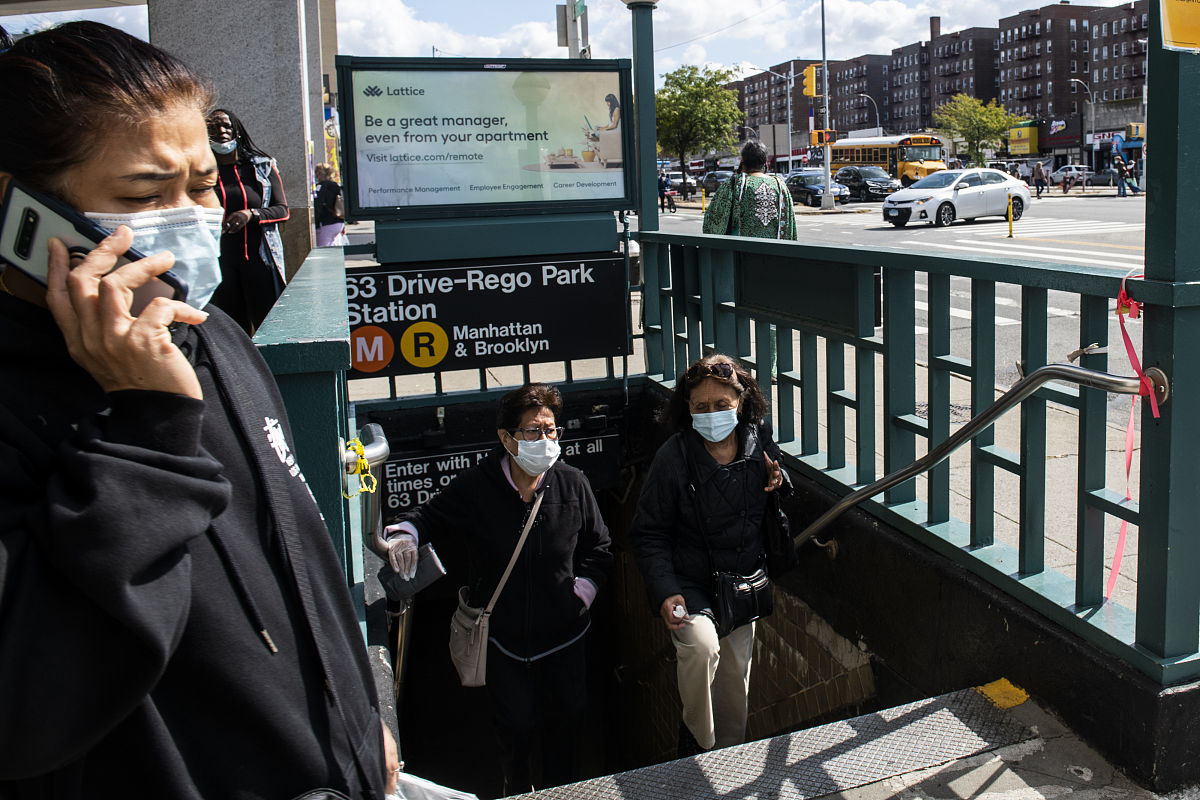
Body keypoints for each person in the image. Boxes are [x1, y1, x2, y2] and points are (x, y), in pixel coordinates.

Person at [0, 22, 397, 798]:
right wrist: (146, 430)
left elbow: (297, 561)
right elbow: (27, 705)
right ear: (20, 211)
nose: (189, 219)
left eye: (205, 186)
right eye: (144, 195)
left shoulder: (212, 335)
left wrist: (360, 717)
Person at [383, 383, 612, 795]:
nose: (545, 440)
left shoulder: (572, 483)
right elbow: (427, 517)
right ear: (506, 439)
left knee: (567, 725)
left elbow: (601, 547)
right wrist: (405, 535)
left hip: (564, 637)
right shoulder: (477, 487)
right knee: (516, 728)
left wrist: (581, 592)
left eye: (551, 430)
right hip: (504, 642)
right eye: (532, 432)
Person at [630, 354, 790, 757]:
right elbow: (648, 532)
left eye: (722, 404)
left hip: (741, 580)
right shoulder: (674, 457)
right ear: (687, 409)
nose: (712, 413)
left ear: (741, 400)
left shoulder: (757, 437)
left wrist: (778, 479)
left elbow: (779, 477)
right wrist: (666, 591)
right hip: (690, 583)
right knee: (702, 648)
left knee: (735, 683)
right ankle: (695, 742)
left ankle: (729, 756)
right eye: (701, 407)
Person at [207, 107, 289, 335]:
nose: (221, 131)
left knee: (270, 329)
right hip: (220, 262)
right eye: (213, 128)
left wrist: (251, 214)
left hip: (260, 259)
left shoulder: (261, 166)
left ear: (237, 131)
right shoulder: (203, 172)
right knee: (231, 333)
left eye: (226, 126)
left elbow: (283, 210)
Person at [702, 141, 797, 240]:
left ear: (742, 161)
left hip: (742, 252)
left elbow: (712, 223)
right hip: (775, 252)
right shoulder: (780, 185)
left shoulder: (733, 184)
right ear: (765, 163)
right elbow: (790, 228)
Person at [314, 162, 346, 246]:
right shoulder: (335, 185)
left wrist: (315, 223)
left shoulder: (321, 187)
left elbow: (318, 205)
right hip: (339, 223)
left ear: (319, 174)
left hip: (327, 223)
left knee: (324, 250)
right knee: (333, 248)